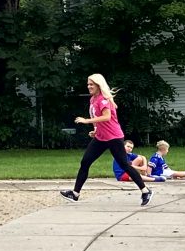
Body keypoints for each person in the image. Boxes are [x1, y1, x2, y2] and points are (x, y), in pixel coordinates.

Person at [61, 74, 153, 205]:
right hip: (101, 137)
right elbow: (99, 119)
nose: (89, 86)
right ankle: (75, 194)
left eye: (91, 84)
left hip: (114, 137)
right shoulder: (93, 99)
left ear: (98, 85)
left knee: (124, 165)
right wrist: (96, 130)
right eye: (88, 84)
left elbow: (107, 117)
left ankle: (145, 191)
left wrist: (86, 121)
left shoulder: (103, 99)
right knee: (85, 162)